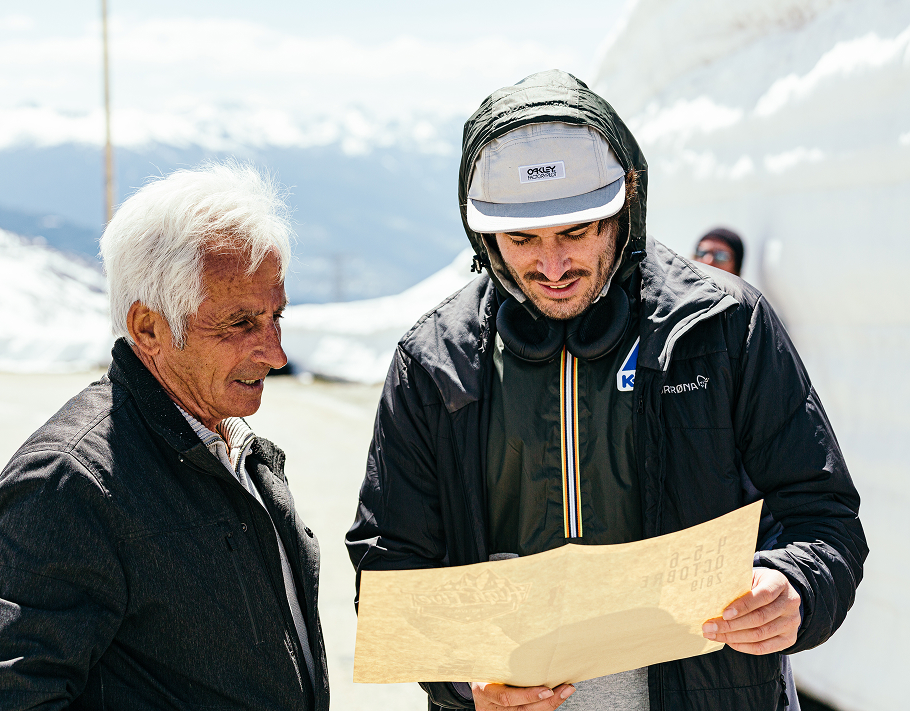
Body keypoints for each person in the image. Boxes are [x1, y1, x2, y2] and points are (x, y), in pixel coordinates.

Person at [346, 69, 866, 711]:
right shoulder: (432, 360)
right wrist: (459, 675)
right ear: (484, 236)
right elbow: (389, 565)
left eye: (575, 232)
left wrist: (797, 586)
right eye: (522, 239)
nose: (553, 266)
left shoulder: (726, 325)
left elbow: (823, 513)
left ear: (626, 208)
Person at [0, 163, 329, 710]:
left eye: (277, 317)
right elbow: (0, 700)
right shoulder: (71, 482)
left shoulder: (234, 448)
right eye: (240, 323)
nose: (276, 353)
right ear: (148, 327)